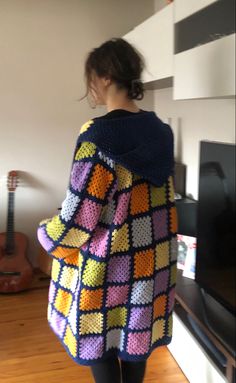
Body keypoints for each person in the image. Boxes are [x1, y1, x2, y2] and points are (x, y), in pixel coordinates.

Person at [37, 38, 178, 383]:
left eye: (91, 79)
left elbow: (79, 218)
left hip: (106, 266)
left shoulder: (98, 137)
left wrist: (46, 232)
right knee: (134, 338)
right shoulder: (161, 131)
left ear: (103, 77)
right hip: (150, 262)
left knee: (96, 337)